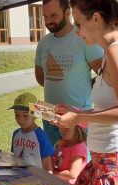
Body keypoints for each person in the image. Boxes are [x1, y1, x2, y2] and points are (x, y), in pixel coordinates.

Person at [55, 0, 118, 185]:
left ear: (96, 18)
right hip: (107, 160)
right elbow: (111, 107)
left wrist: (78, 118)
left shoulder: (117, 51)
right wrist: (77, 114)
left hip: (116, 161)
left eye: (78, 24)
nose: (77, 32)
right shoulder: (115, 48)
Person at [34, 0, 104, 147]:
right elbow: (41, 79)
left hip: (77, 119)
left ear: (67, 13)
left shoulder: (83, 39)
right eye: (45, 16)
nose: (48, 21)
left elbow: (105, 74)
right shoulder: (43, 43)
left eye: (53, 15)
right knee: (54, 163)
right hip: (50, 117)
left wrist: (90, 84)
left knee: (79, 166)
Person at [8, 92, 54, 173]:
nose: (21, 119)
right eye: (17, 115)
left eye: (25, 115)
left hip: (36, 181)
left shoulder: (41, 137)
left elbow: (48, 169)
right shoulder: (16, 134)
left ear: (35, 114)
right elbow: (14, 158)